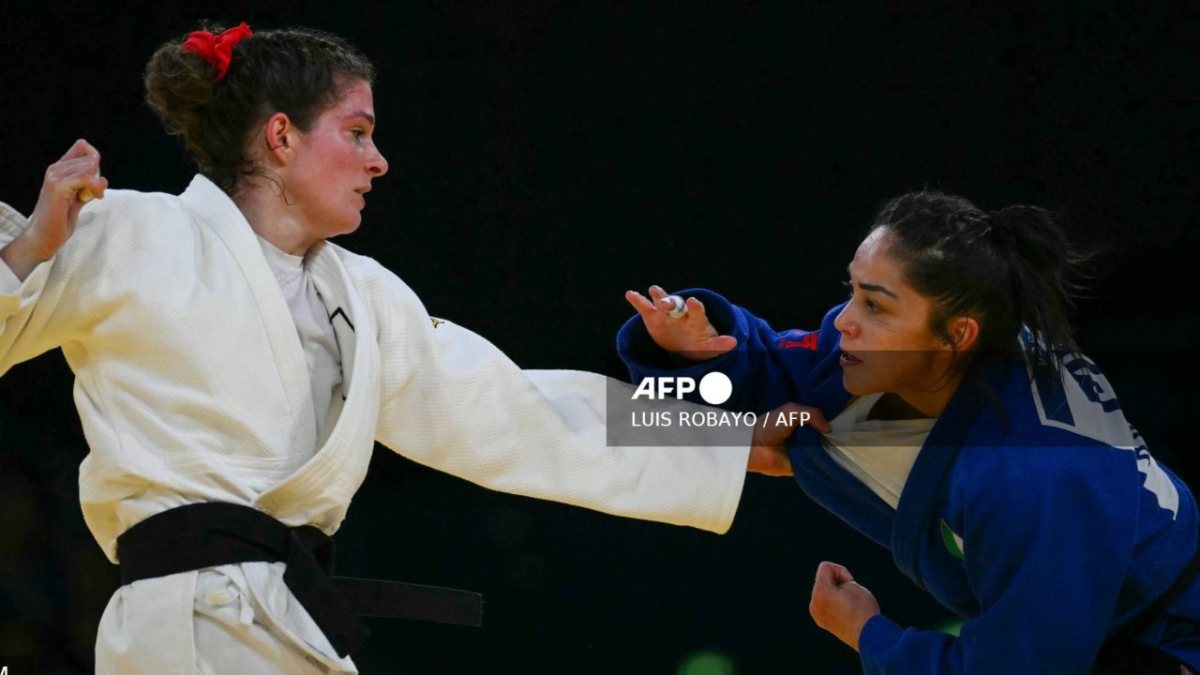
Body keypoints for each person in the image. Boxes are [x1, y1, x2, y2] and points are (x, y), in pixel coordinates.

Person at [0, 23, 795, 674]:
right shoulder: (129, 232)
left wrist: (718, 432)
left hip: (295, 627)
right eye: (357, 132)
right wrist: (30, 249)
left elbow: (522, 409)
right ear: (281, 136)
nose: (379, 161)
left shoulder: (363, 295)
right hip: (180, 631)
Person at [619, 191, 1200, 673]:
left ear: (957, 335)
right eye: (852, 290)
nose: (845, 319)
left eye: (875, 305)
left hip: (1162, 643)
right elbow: (772, 367)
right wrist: (697, 352)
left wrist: (867, 634)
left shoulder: (1032, 477)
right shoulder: (898, 354)